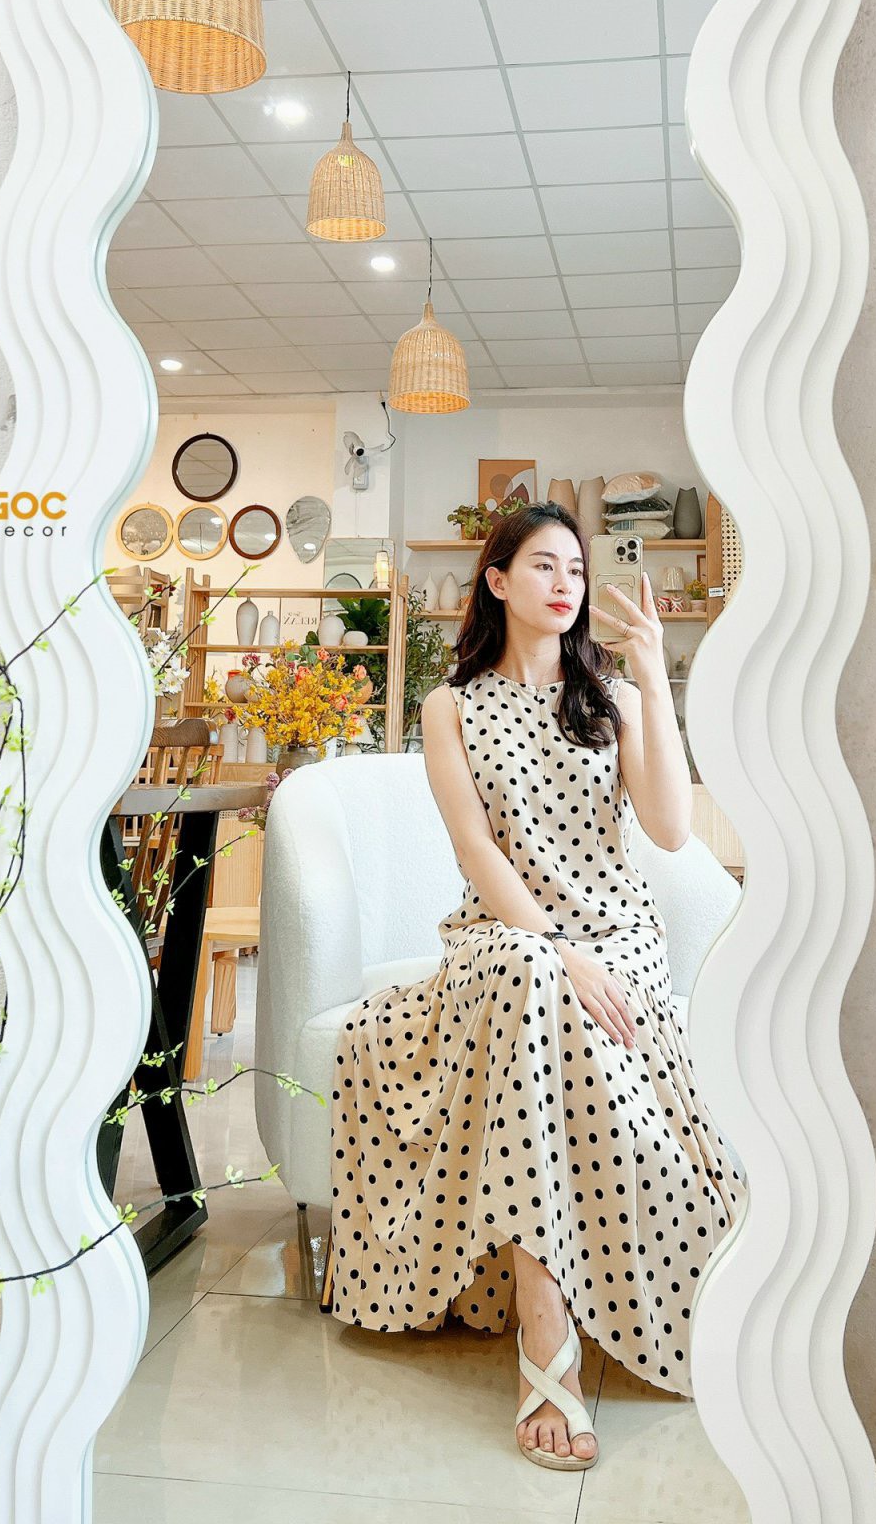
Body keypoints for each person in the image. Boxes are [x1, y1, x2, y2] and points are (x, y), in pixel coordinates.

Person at [326, 501, 743, 1470]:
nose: (566, 584)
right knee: (530, 971)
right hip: (504, 937)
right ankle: (545, 1323)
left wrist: (652, 676)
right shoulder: (451, 706)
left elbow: (671, 828)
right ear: (497, 579)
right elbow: (476, 848)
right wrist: (557, 948)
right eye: (544, 565)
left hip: (620, 938)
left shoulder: (611, 696)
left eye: (576, 569)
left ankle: (544, 1320)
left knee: (542, 985)